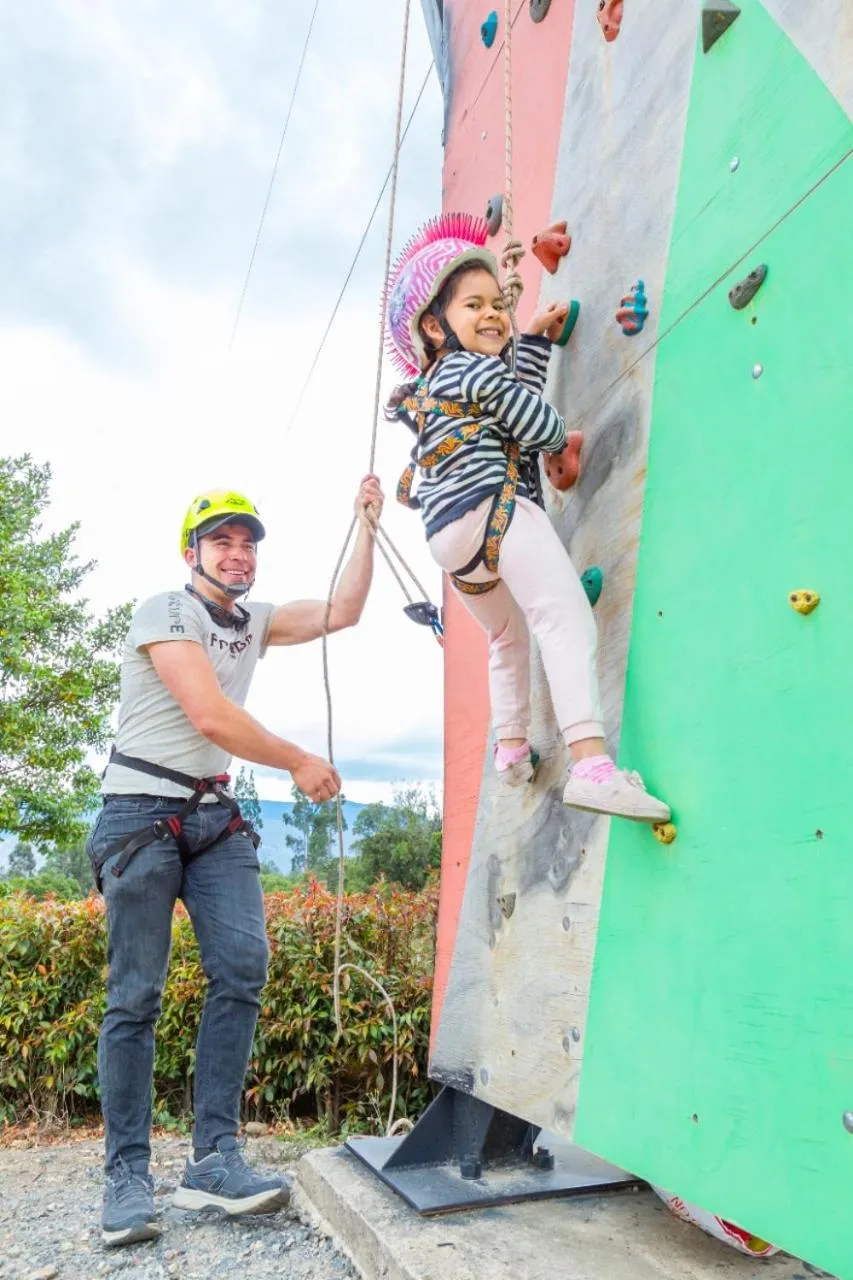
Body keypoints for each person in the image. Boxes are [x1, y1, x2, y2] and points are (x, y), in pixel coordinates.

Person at [86, 477, 383, 1247]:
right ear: (192, 553)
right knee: (135, 998)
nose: (238, 553)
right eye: (222, 541)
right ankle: (126, 1177)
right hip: (138, 816)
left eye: (248, 543)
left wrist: (365, 524)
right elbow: (209, 713)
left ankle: (214, 1160)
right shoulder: (166, 610)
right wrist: (296, 760)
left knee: (243, 968)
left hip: (212, 817)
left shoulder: (253, 620)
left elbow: (344, 611)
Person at [384, 211, 669, 822]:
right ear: (434, 326)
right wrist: (562, 435)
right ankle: (593, 764)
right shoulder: (474, 368)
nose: (493, 315)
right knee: (565, 620)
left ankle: (511, 752)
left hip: (450, 541)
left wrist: (533, 342)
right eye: (474, 307)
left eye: (497, 305)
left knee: (506, 636)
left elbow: (504, 399)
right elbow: (532, 422)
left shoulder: (440, 382)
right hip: (496, 509)